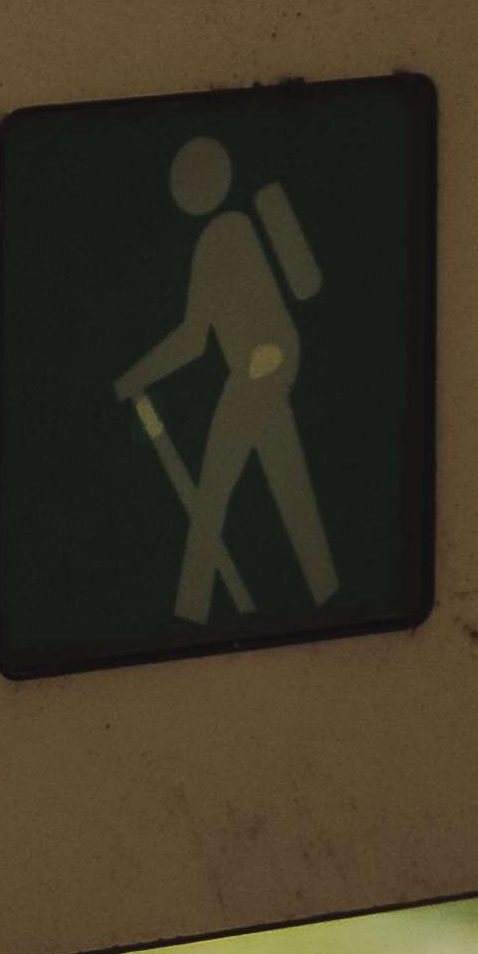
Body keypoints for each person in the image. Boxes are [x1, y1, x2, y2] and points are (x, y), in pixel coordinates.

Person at [119, 128, 335, 629]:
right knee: (289, 485)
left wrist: (134, 377)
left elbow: (194, 338)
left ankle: (189, 616)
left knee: (214, 487)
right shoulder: (230, 231)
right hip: (271, 364)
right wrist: (138, 375)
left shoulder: (222, 235)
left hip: (259, 368)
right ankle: (328, 595)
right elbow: (197, 338)